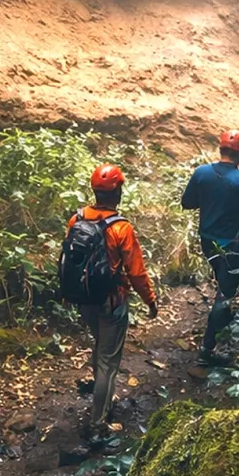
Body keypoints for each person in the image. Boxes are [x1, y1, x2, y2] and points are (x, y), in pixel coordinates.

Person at [66, 164, 157, 439]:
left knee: (100, 346)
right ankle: (98, 424)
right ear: (117, 191)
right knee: (108, 360)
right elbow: (136, 272)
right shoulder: (121, 228)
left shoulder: (76, 219)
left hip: (84, 299)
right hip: (112, 302)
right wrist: (150, 300)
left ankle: (101, 399)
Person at [180, 130, 239, 363]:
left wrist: (207, 200)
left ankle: (223, 329)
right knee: (225, 294)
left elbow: (187, 202)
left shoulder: (201, 173)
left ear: (221, 149)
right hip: (234, 246)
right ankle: (208, 350)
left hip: (208, 242)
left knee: (222, 285)